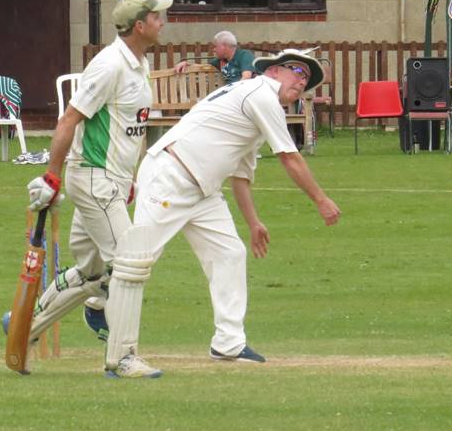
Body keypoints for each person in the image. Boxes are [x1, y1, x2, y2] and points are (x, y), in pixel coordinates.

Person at [104, 49, 342, 378]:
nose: (302, 81)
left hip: (203, 189)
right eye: (297, 70)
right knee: (136, 261)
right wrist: (320, 199)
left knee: (230, 252)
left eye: (307, 79)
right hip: (172, 176)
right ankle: (91, 303)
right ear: (273, 71)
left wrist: (254, 222)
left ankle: (228, 343)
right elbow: (289, 156)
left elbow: (241, 177)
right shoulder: (260, 92)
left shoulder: (255, 109)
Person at [7, 0, 172, 375]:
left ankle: (21, 328)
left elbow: (132, 126)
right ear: (139, 25)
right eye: (157, 17)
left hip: (110, 180)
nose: (163, 22)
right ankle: (122, 358)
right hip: (95, 179)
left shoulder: (138, 63)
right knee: (130, 263)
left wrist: (129, 176)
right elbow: (69, 120)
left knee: (92, 272)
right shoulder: (109, 66)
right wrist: (51, 175)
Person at [175, 30, 255, 85]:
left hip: (247, 96)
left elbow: (246, 78)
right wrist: (187, 63)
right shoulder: (220, 61)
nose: (214, 50)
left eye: (216, 46)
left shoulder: (244, 55)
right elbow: (202, 67)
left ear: (224, 46)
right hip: (233, 97)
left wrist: (231, 94)